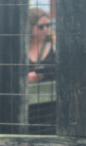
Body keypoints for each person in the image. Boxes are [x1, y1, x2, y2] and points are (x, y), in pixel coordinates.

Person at [28, 7, 57, 135]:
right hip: (30, 108)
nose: (45, 29)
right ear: (31, 28)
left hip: (52, 107)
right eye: (41, 27)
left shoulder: (55, 46)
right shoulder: (22, 49)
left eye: (48, 25)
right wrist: (27, 78)